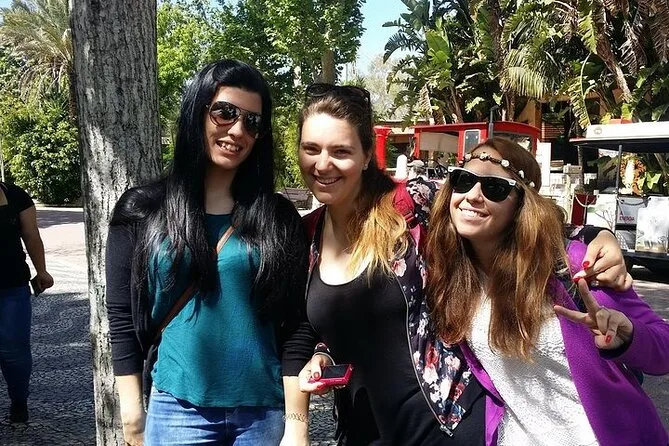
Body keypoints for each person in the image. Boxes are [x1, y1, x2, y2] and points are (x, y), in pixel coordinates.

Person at [281, 84, 631, 446]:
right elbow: (309, 327)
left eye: (341, 151)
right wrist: (316, 368)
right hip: (361, 433)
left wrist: (599, 235)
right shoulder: (306, 235)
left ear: (367, 154)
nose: (323, 164)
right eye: (311, 149)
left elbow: (512, 214)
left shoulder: (409, 203)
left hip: (448, 427)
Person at [105, 59, 309, 445]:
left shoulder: (278, 218)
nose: (238, 130)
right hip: (177, 411)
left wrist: (297, 424)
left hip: (262, 415)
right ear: (197, 112)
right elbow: (120, 315)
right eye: (225, 112)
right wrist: (131, 411)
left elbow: (297, 324)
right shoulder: (142, 210)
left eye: (252, 122)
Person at [426, 137, 669, 445]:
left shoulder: (575, 264)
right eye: (464, 180)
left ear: (520, 205)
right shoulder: (448, 273)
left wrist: (629, 336)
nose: (473, 196)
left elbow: (663, 350)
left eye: (494, 188)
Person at [0, 181, 53, 423]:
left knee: (14, 351)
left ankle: (19, 400)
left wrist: (41, 270)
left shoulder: (15, 195)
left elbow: (31, 235)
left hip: (12, 286)